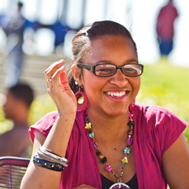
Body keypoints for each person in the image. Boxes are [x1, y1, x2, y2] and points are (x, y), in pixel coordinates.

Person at [21, 21, 189, 189]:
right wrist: (66, 115)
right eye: (104, 69)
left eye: (129, 68)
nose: (120, 80)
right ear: (77, 74)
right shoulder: (53, 128)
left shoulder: (161, 126)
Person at [0, 83, 34, 157]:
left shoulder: (11, 137)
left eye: (7, 100)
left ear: (20, 105)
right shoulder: (29, 134)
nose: (3, 105)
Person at [1, 2, 27, 87]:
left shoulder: (22, 18)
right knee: (11, 66)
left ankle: (13, 85)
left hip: (18, 44)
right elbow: (5, 28)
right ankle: (10, 86)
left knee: (17, 66)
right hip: (12, 43)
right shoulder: (10, 17)